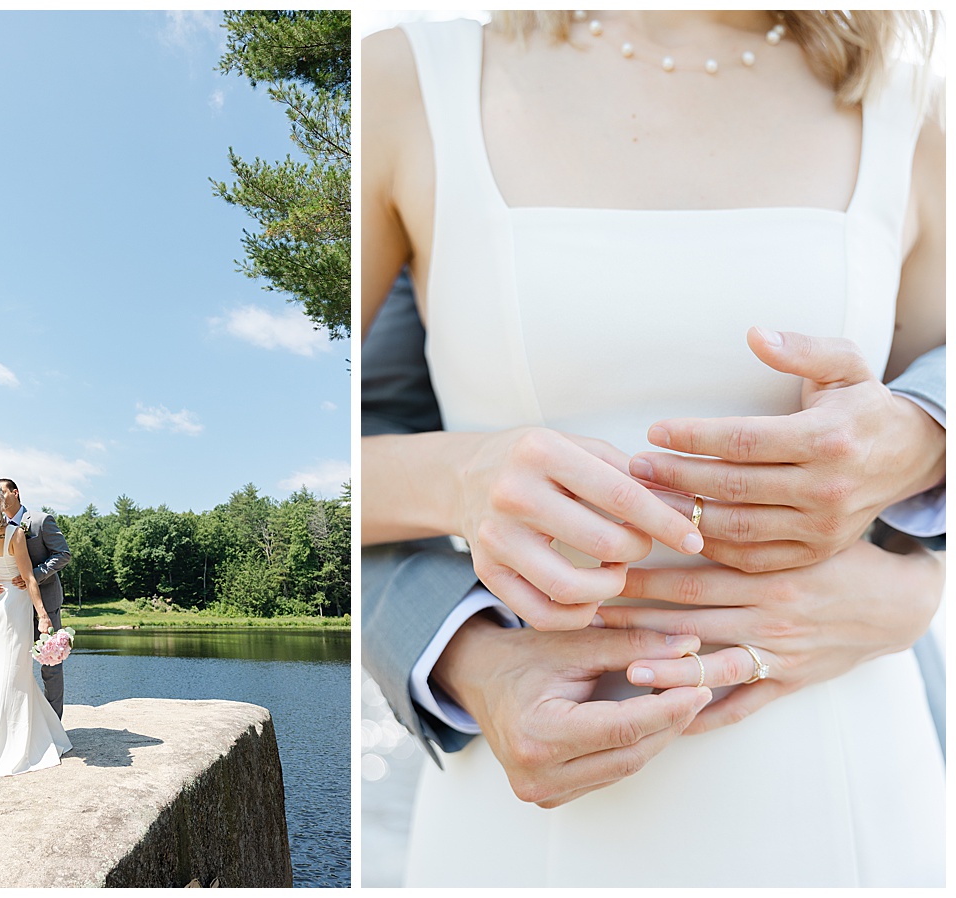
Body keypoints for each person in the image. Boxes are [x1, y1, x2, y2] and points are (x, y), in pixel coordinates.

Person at [361, 10, 944, 886]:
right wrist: (464, 566)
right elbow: (331, 441)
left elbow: (922, 450)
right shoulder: (407, 82)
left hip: (845, 769)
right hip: (532, 781)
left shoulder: (911, 100)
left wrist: (922, 452)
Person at [0, 481, 71, 777]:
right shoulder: (9, 533)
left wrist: (32, 579)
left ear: (15, 493)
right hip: (14, 603)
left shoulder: (38, 521)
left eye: (4, 492)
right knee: (11, 669)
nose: (1, 497)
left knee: (38, 668)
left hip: (24, 602)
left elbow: (62, 555)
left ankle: (49, 726)